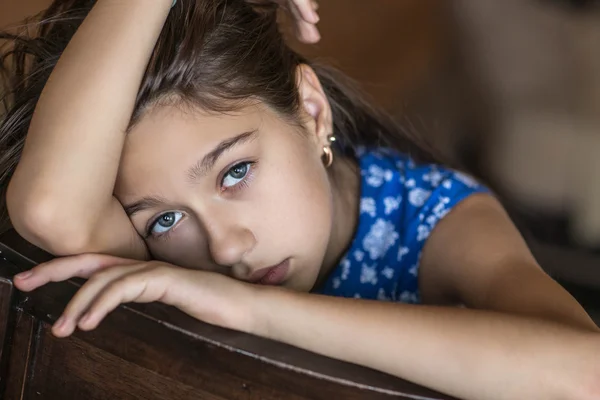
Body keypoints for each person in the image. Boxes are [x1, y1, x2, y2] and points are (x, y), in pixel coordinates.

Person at [0, 1, 598, 399]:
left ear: (311, 113)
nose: (226, 248)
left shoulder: (432, 219)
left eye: (235, 172)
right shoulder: (163, 255)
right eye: (167, 217)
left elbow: (585, 375)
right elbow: (50, 208)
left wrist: (255, 312)